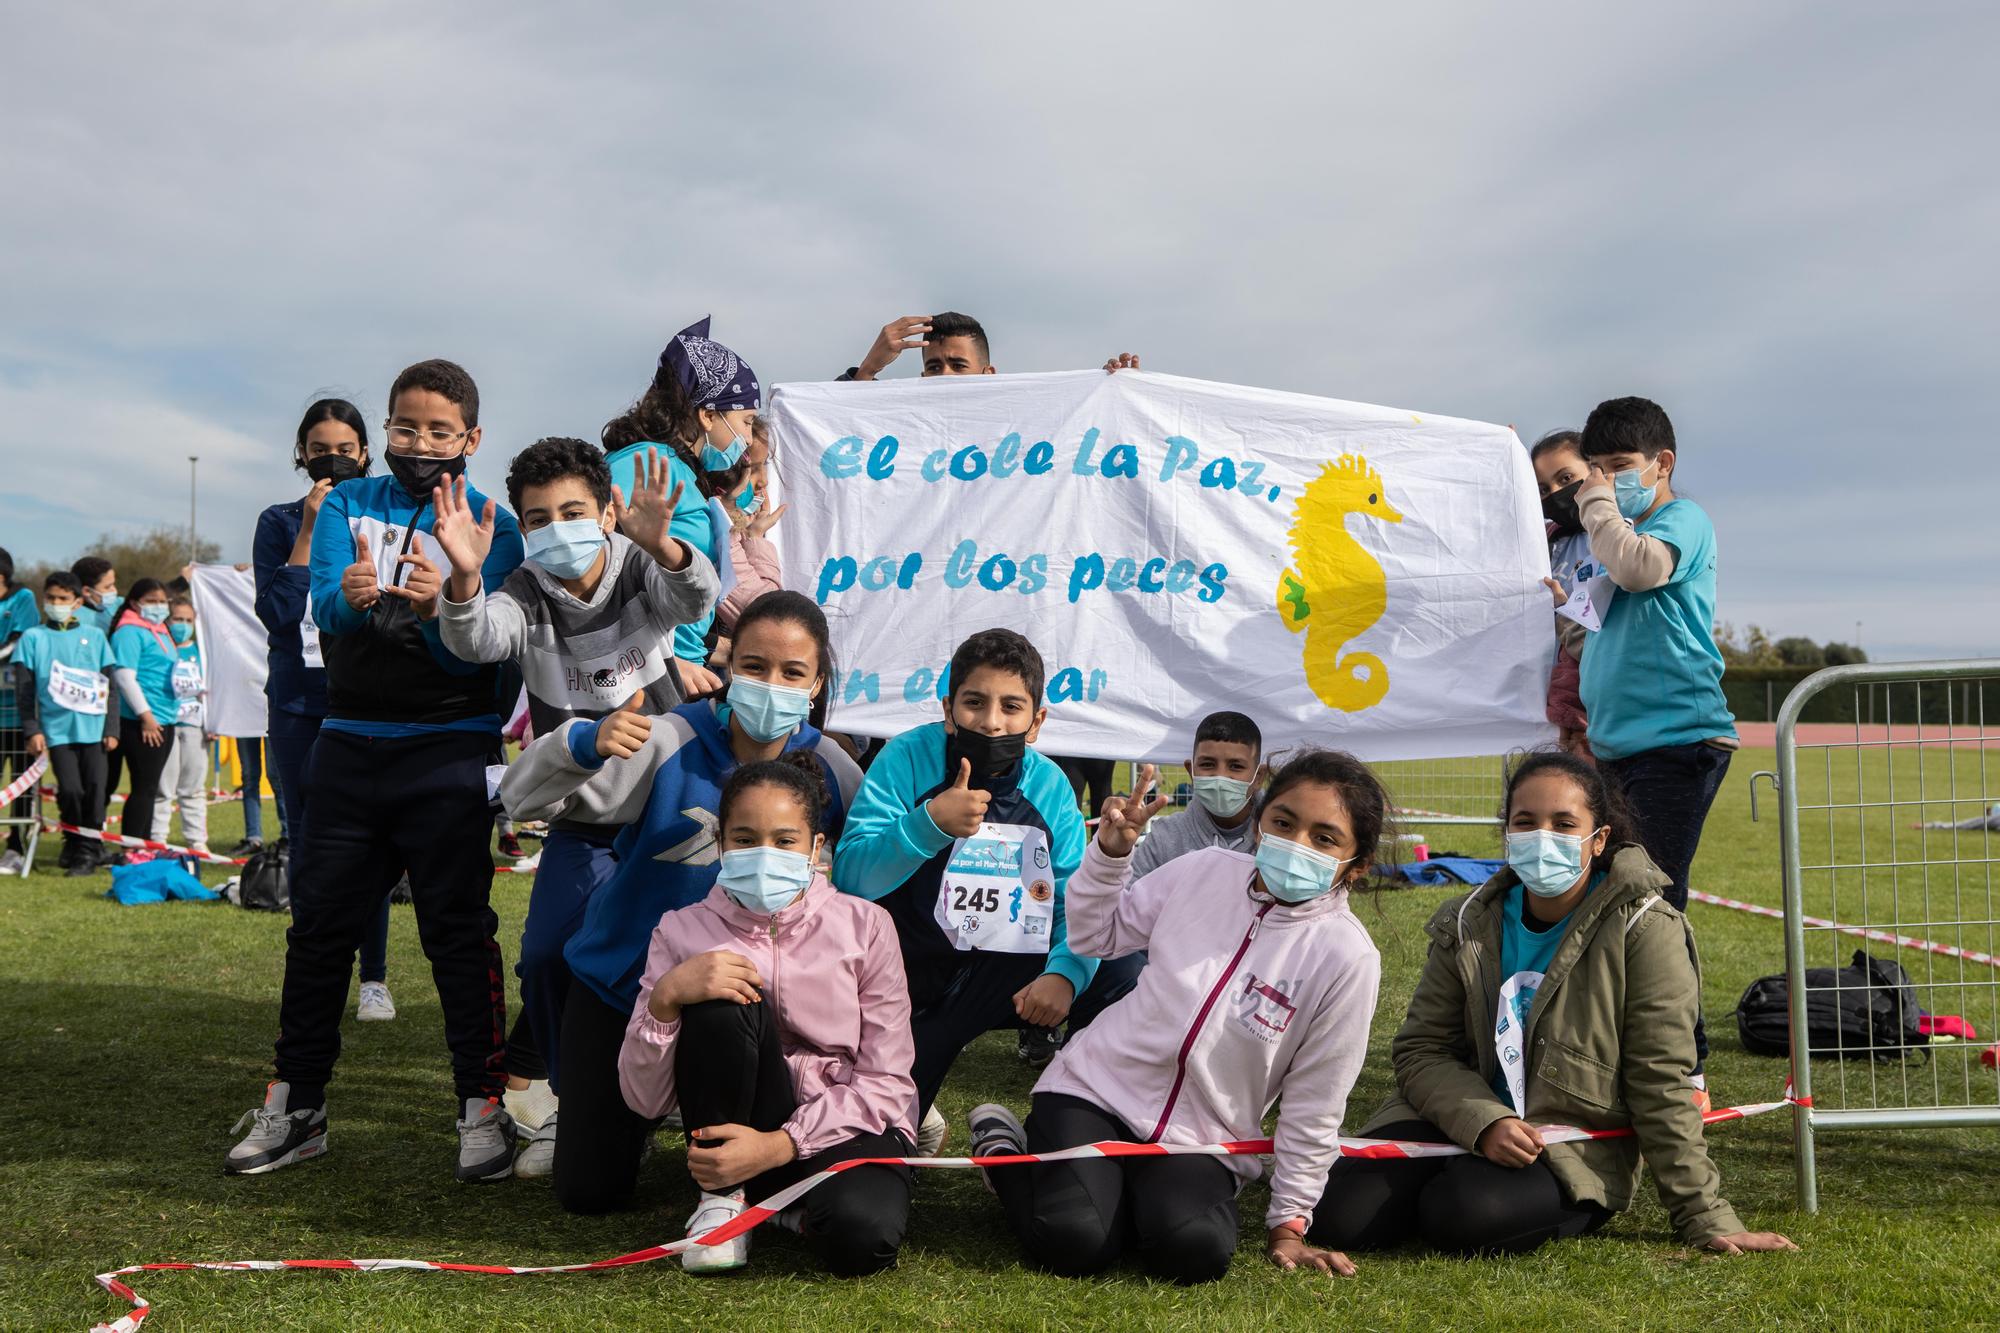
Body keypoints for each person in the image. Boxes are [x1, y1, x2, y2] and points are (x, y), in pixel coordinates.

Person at [226, 359, 525, 1182]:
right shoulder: (348, 501)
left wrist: (447, 599)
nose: (418, 443)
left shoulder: (496, 522)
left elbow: (491, 652)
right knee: (318, 930)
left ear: (471, 437)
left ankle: (482, 1108)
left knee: (458, 934)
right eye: (403, 427)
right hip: (348, 742)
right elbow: (318, 606)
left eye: (437, 430)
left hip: (450, 747)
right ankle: (297, 1104)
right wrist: (349, 593)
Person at [1312, 752, 1796, 1260]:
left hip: (1569, 1140)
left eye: (1564, 823)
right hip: (1451, 1114)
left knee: (1463, 1213)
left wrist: (1703, 1215)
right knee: (1337, 1217)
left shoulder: (1647, 928)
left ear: (1600, 838)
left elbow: (1660, 1080)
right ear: (1507, 831)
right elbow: (1422, 1051)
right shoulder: (1466, 919)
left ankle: (1469, 1188)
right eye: (1526, 822)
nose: (1542, 835)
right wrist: (1483, 1122)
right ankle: (1448, 1175)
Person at [499, 589, 861, 1214]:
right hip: (624, 990)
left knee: (781, 1173)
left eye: (792, 672)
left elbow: (869, 873)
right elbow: (524, 800)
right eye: (753, 666)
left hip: (745, 1007)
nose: (770, 684)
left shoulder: (831, 767)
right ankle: (628, 1119)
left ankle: (720, 1161)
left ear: (817, 682)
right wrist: (583, 744)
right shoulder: (667, 740)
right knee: (589, 1193)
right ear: (727, 668)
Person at [969, 749, 1386, 1283]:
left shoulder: (1348, 957)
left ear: (1357, 864)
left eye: (1324, 838)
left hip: (1205, 1135)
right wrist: (1109, 857)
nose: (1295, 844)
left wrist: (1289, 1221)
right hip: (1095, 1090)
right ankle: (1006, 1154)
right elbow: (1098, 936)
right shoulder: (1204, 869)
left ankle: (1082, 1184)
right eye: (1283, 822)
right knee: (1075, 1241)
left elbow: (1317, 1099)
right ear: (1261, 821)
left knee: (1192, 1252)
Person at [436, 436, 718, 1174]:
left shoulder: (635, 565)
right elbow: (478, 639)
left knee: (682, 956)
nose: (557, 528)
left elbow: (695, 599)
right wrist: (465, 578)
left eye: (572, 511)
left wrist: (669, 549)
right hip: (586, 813)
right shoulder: (525, 590)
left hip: (665, 807)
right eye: (538, 517)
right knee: (548, 957)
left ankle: (686, 1092)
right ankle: (574, 1099)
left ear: (607, 510)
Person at [621, 758, 915, 1275]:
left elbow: (887, 1082)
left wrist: (782, 1145)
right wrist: (666, 1000)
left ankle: (781, 1208)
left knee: (861, 1238)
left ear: (815, 849)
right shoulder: (679, 930)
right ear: (719, 845)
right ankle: (724, 1196)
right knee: (715, 995)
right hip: (743, 1116)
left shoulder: (867, 926)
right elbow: (645, 1100)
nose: (763, 855)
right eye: (744, 839)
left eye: (784, 841)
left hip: (843, 1120)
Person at [832, 627, 1097, 1144]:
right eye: (975, 703)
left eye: (1012, 707)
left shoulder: (1050, 786)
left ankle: (1079, 1122)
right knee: (872, 1155)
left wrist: (1066, 975)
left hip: (1008, 974)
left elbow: (1076, 902)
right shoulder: (905, 759)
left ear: (1036, 721)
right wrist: (926, 824)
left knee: (1122, 975)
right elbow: (852, 877)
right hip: (909, 973)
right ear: (949, 709)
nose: (992, 722)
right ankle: (906, 1109)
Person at [1574, 396, 1737, 1091]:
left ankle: (1683, 1069)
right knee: (1618, 904)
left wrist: (1594, 505)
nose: (1606, 483)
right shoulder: (1618, 535)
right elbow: (1606, 610)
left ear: (1662, 463)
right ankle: (1624, 1052)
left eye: (1620, 468)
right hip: (1619, 749)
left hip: (1676, 744)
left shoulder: (1681, 520)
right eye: (1597, 470)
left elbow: (1642, 567)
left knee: (1654, 909)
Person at [252, 397, 396, 1023]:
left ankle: (374, 977)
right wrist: (311, 528)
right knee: (309, 842)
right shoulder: (277, 521)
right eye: (318, 449)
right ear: (301, 455)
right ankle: (315, 973)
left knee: (371, 841)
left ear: (365, 451)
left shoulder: (385, 514)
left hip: (366, 695)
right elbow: (281, 615)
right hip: (297, 702)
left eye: (345, 447)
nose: (332, 459)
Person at [600, 316, 762, 699]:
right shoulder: (646, 466)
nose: (750, 437)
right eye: (747, 421)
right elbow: (603, 573)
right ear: (708, 415)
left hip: (681, 666)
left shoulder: (680, 471)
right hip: (648, 673)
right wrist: (663, 659)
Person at [11, 573, 117, 876]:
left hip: (94, 730)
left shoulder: (95, 637)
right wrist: (32, 729)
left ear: (77, 603)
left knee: (96, 789)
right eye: (51, 598)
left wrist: (112, 728)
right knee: (70, 790)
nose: (56, 604)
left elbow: (111, 686)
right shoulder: (34, 638)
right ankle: (74, 841)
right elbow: (25, 691)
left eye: (63, 599)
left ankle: (87, 850)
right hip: (56, 732)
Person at [1129, 710, 1264, 879]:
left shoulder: (1280, 837)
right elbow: (1125, 900)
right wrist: (1111, 853)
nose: (1220, 777)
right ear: (1191, 771)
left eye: (1236, 766)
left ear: (1258, 777)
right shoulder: (1165, 837)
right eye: (1208, 764)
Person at [1530, 429, 1594, 760]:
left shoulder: (1622, 535)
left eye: (1566, 477)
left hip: (1600, 713)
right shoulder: (1542, 542)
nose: (1556, 493)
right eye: (1543, 489)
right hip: (1554, 710)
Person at [106, 579, 178, 846]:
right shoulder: (129, 632)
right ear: (135, 604)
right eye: (152, 601)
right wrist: (145, 716)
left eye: (162, 601)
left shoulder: (158, 628)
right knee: (143, 788)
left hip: (164, 716)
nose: (159, 606)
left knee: (149, 787)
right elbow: (124, 676)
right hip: (142, 722)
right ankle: (134, 847)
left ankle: (143, 846)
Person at [715, 414, 786, 640]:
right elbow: (766, 616)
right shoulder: (715, 531)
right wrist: (755, 538)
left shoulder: (729, 527)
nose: (764, 481)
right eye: (753, 468)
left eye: (764, 465)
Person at [151, 593, 211, 855]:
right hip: (165, 725)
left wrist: (214, 722)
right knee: (163, 786)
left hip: (195, 726)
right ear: (167, 619)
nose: (182, 624)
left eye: (188, 619)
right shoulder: (159, 647)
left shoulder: (203, 651)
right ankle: (157, 840)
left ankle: (196, 841)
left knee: (194, 786)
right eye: (177, 619)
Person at [0, 547, 39, 873]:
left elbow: (17, 642)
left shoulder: (22, 599)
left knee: (21, 783)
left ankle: (16, 844)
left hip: (18, 713)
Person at [70, 556, 120, 636]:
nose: (114, 590)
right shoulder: (75, 620)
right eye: (107, 587)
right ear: (87, 591)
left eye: (113, 584)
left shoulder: (119, 604)